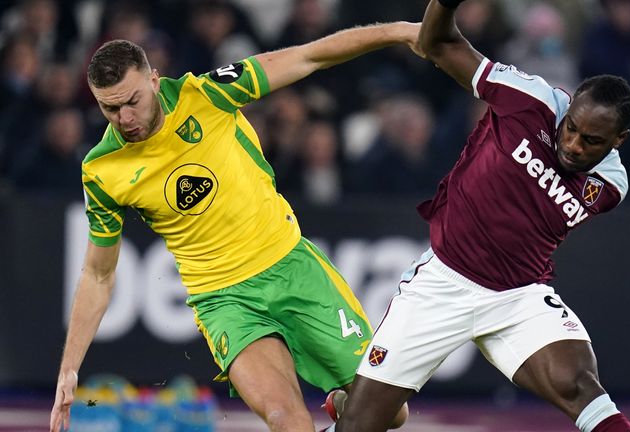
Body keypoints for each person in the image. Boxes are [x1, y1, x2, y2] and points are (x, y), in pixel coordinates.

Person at [49, 21, 420, 432]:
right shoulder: (102, 170)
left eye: (132, 101)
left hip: (292, 268)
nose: (124, 118)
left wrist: (401, 31)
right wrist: (69, 371)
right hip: (224, 301)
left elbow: (310, 55)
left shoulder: (208, 94)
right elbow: (98, 274)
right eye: (109, 108)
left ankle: (341, 406)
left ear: (154, 80)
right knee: (285, 419)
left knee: (390, 412)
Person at [324, 1, 630, 431]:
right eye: (571, 128)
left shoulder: (611, 188)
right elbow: (435, 43)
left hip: (519, 296)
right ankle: (350, 409)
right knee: (360, 426)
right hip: (443, 283)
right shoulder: (529, 100)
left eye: (592, 140)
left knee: (580, 387)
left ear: (618, 140)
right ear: (568, 107)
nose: (574, 145)